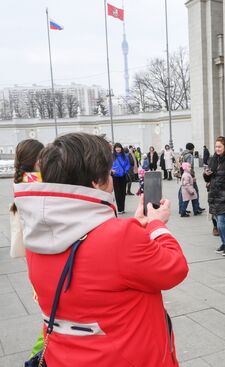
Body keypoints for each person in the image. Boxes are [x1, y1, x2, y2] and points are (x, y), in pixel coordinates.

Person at [14, 132, 188, 366]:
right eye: (108, 172)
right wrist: (156, 225)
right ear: (96, 182)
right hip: (127, 356)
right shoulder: (122, 236)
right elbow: (174, 268)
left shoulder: (36, 233)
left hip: (64, 357)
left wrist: (135, 227)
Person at [10, 139, 44, 259]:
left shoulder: (21, 179)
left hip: (29, 244)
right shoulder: (40, 182)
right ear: (38, 161)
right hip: (41, 245)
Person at [182, 143, 204, 210]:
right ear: (191, 148)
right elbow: (190, 166)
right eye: (193, 148)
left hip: (184, 175)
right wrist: (192, 176)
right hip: (189, 176)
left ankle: (183, 209)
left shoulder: (183, 154)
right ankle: (196, 208)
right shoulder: (189, 156)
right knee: (195, 191)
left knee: (183, 192)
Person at [111, 142, 131, 214]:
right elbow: (108, 164)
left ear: (121, 148)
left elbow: (128, 164)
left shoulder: (125, 156)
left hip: (123, 176)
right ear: (114, 149)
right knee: (117, 192)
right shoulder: (112, 156)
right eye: (116, 147)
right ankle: (119, 209)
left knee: (123, 192)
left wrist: (125, 170)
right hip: (115, 176)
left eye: (119, 147)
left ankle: (122, 208)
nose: (117, 149)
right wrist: (112, 170)